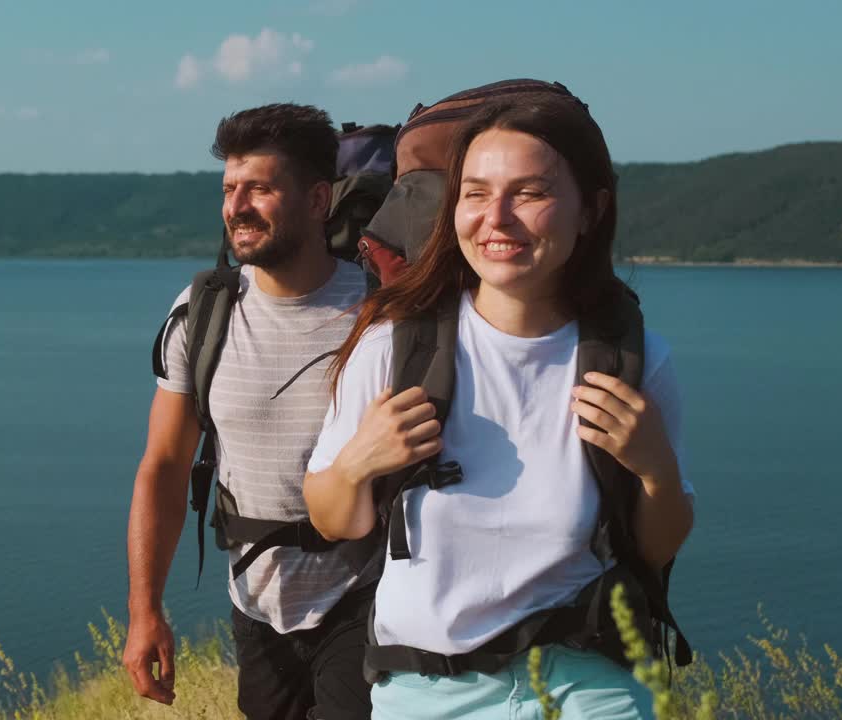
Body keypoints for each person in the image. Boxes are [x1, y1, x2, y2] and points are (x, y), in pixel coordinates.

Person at [302, 93, 696, 719]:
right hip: (427, 691)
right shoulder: (392, 349)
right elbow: (331, 519)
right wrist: (356, 465)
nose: (498, 218)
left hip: (586, 685)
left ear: (590, 210)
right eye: (477, 193)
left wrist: (655, 468)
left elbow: (656, 546)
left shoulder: (637, 360)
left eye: (531, 193)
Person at [123, 103, 378, 720]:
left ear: (319, 201)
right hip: (257, 602)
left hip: (366, 597)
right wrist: (145, 611)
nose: (236, 206)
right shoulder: (205, 310)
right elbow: (164, 464)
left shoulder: (381, 312)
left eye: (260, 188)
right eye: (229, 189)